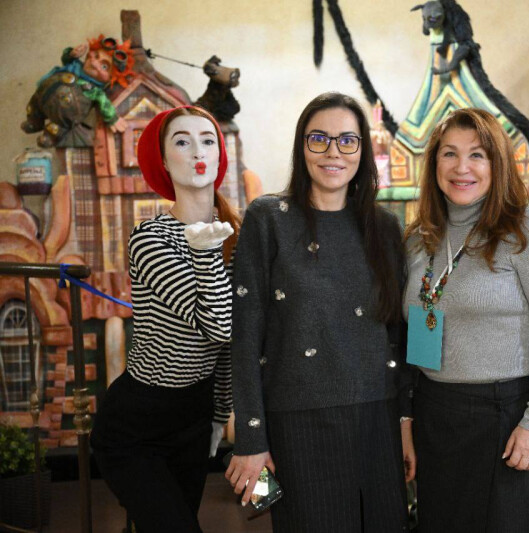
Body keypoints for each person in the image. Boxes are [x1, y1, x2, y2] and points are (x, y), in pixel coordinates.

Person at [225, 92, 411, 532]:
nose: (333, 152)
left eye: (347, 140)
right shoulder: (268, 219)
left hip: (378, 421)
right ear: (301, 146)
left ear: (363, 150)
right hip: (297, 424)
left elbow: (398, 337)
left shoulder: (385, 227)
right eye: (319, 139)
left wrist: (406, 422)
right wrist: (251, 439)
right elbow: (245, 336)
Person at [402, 107, 529, 532]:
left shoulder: (522, 228)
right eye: (449, 154)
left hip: (506, 418)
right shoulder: (419, 236)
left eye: (477, 155)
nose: (462, 167)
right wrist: (407, 421)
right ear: (434, 164)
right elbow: (404, 333)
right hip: (435, 417)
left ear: (497, 164)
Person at [90, 106, 238, 532]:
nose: (198, 151)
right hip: (138, 423)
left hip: (194, 417)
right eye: (182, 141)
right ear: (164, 161)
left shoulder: (234, 234)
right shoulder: (150, 238)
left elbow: (229, 347)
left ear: (219, 156)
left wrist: (218, 414)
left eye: (207, 141)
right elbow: (218, 326)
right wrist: (206, 252)